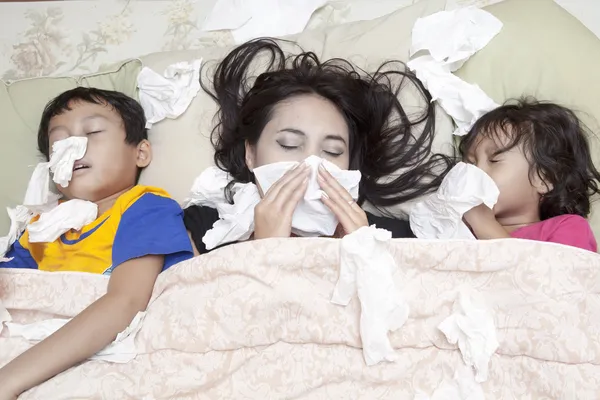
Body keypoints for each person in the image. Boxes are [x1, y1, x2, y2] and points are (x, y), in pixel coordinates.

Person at [0, 87, 193, 397]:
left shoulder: (144, 206)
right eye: (59, 142)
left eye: (92, 132)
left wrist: (8, 380)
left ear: (140, 153)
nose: (74, 147)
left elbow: (126, 302)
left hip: (102, 357)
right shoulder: (39, 228)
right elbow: (14, 297)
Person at [184, 38, 453, 254]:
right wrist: (265, 252)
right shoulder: (205, 229)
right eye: (289, 145)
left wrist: (366, 256)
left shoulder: (392, 237)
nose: (310, 164)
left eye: (333, 151)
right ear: (251, 154)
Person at [461, 98, 600, 251]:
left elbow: (547, 273)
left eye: (494, 160)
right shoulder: (461, 229)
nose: (475, 171)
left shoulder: (569, 228)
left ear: (544, 178)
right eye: (471, 163)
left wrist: (483, 223)